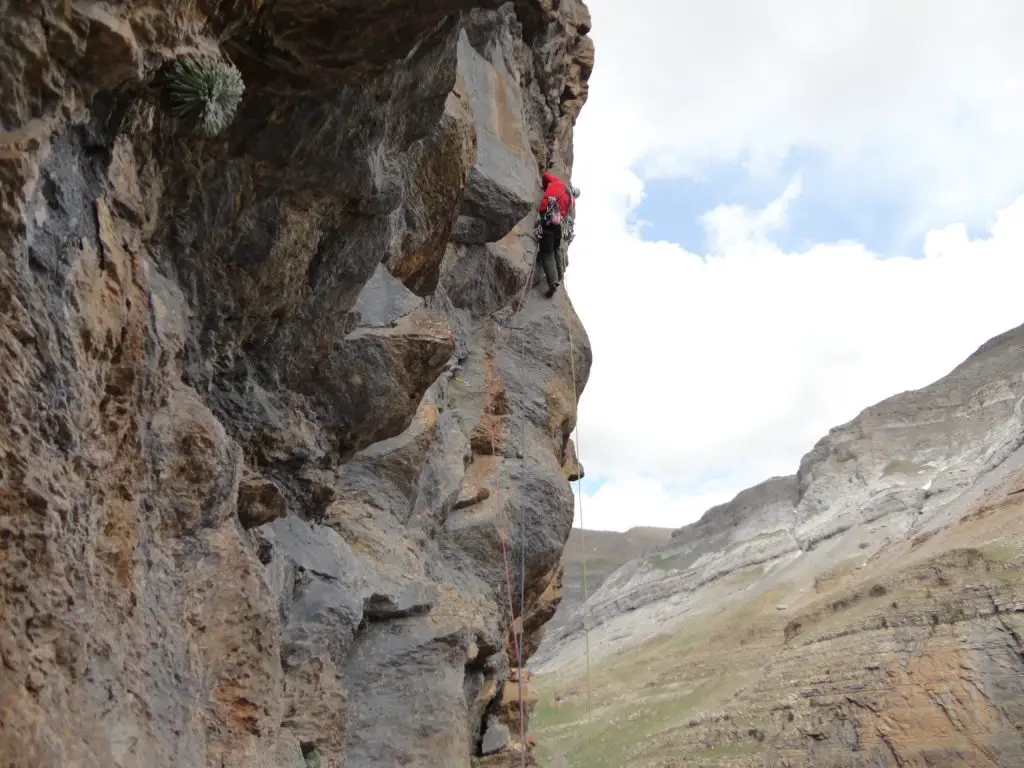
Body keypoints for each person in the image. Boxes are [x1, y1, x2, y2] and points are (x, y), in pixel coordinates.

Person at [536, 171, 578, 298]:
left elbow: (545, 176)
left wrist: (545, 187)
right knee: (555, 249)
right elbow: (565, 215)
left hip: (547, 221)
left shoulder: (558, 183)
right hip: (558, 225)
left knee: (547, 253)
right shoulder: (571, 201)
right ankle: (559, 274)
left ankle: (553, 282)